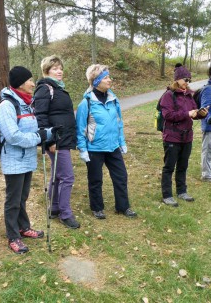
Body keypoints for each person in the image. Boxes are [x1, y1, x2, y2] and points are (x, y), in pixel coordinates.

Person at [0, 66, 56, 254]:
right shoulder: (7, 106)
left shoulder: (26, 103)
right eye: (30, 80)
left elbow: (31, 129)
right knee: (13, 200)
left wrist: (48, 133)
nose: (33, 83)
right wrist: (39, 137)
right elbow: (13, 136)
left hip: (27, 158)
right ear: (21, 84)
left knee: (22, 197)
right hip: (14, 160)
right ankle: (13, 236)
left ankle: (24, 226)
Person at [76, 64, 137, 219]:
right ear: (96, 81)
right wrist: (83, 149)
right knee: (96, 179)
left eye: (109, 77)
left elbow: (118, 122)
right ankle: (97, 208)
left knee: (121, 176)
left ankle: (123, 207)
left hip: (113, 146)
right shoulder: (86, 103)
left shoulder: (113, 99)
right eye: (106, 77)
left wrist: (121, 141)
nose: (110, 80)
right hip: (95, 148)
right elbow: (81, 128)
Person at [33, 55, 80, 229]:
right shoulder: (45, 89)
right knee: (67, 176)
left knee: (57, 175)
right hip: (56, 140)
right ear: (46, 71)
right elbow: (41, 118)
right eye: (55, 68)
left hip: (63, 138)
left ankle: (54, 208)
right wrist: (50, 141)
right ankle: (65, 213)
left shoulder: (58, 88)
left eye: (60, 68)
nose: (59, 71)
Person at [159, 66, 208, 207]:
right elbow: (167, 115)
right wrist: (187, 114)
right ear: (177, 79)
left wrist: (200, 114)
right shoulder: (168, 96)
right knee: (169, 167)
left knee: (183, 165)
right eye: (185, 79)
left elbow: (194, 112)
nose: (187, 82)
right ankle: (167, 195)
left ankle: (181, 191)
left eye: (189, 80)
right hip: (172, 137)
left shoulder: (188, 95)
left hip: (187, 137)